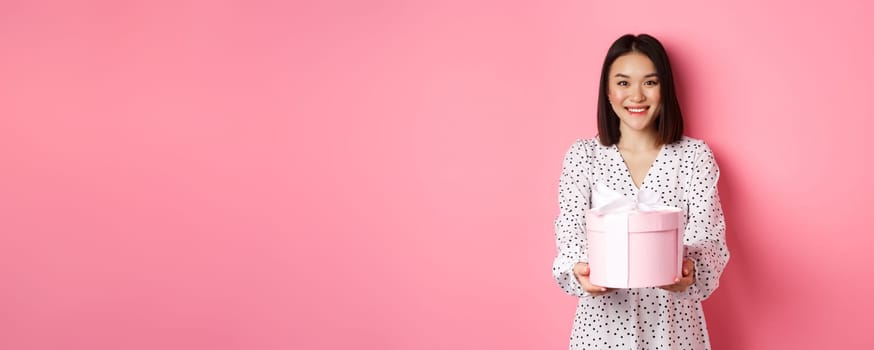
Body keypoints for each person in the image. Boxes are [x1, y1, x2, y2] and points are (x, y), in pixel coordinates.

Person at [552, 33, 730, 349]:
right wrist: (581, 271)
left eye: (649, 82)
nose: (636, 95)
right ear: (607, 91)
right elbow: (570, 235)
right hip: (602, 331)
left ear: (665, 89)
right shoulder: (583, 156)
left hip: (673, 330)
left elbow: (710, 238)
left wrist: (690, 269)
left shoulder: (693, 156)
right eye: (623, 83)